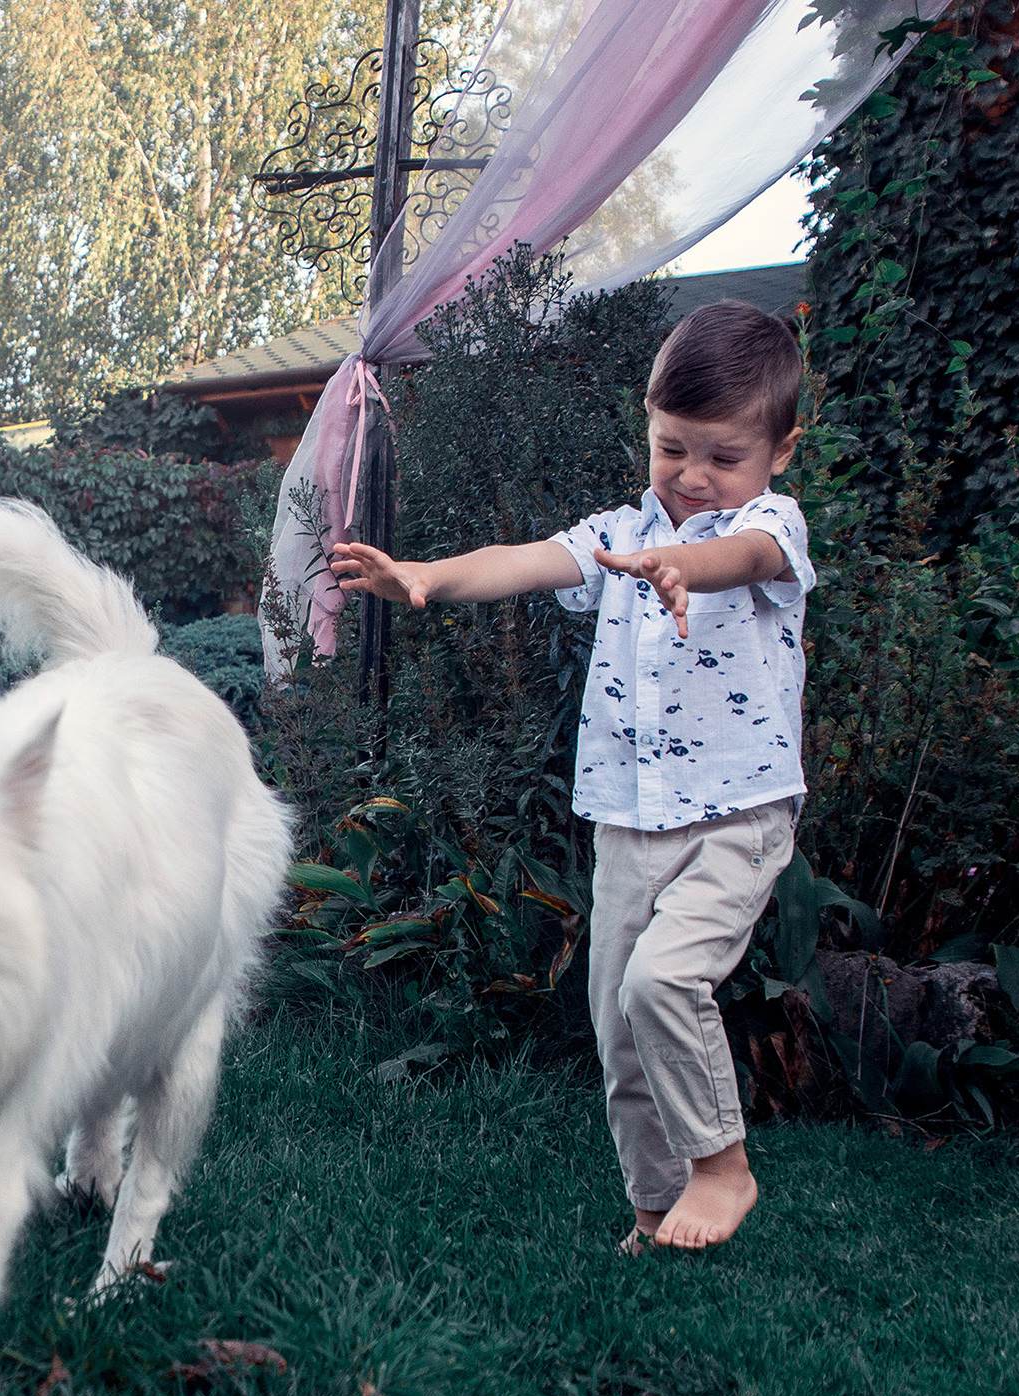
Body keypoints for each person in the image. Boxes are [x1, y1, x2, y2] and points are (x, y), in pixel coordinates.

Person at [330, 300, 810, 1253]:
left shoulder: (768, 523)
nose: (694, 477)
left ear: (779, 453)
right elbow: (523, 560)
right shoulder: (621, 529)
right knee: (619, 1026)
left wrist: (681, 566)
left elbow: (738, 555)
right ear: (647, 422)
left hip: (737, 814)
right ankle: (652, 1211)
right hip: (631, 819)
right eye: (673, 448)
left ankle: (723, 1165)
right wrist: (424, 571)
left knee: (665, 982)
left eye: (724, 456)